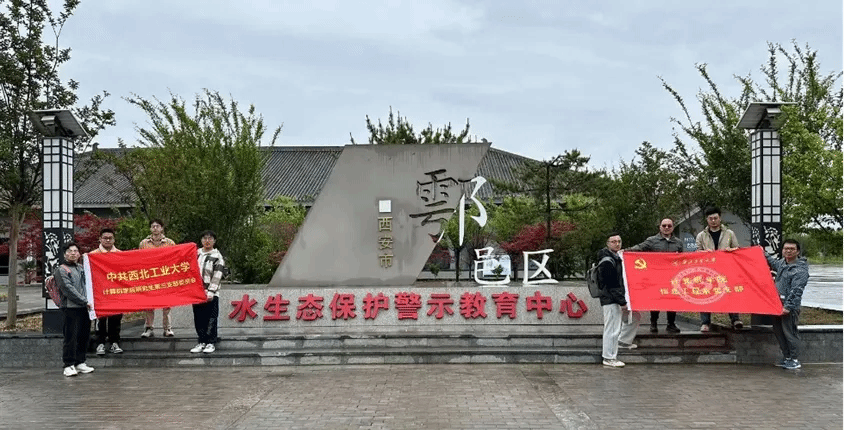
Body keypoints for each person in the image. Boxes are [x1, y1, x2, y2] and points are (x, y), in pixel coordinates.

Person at [628, 218, 684, 333]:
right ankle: (653, 323)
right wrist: (625, 251)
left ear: (673, 227)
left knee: (672, 300)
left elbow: (683, 258)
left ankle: (671, 324)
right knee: (655, 300)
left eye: (669, 226)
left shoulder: (678, 242)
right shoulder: (652, 240)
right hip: (655, 276)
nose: (666, 228)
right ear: (660, 227)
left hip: (672, 277)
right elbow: (639, 248)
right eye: (664, 225)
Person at [598, 232, 642, 368]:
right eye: (613, 241)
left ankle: (623, 342)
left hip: (617, 298)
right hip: (611, 299)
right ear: (608, 244)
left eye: (619, 241)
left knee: (634, 317)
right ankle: (609, 357)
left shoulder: (617, 257)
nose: (617, 244)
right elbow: (612, 285)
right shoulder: (607, 261)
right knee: (612, 329)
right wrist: (622, 302)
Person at [695, 207, 742, 332]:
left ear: (720, 218)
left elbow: (737, 249)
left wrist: (729, 251)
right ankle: (705, 322)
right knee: (705, 293)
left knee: (730, 292)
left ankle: (735, 319)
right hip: (707, 269)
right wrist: (705, 252)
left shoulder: (729, 233)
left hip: (726, 268)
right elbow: (697, 252)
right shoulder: (701, 235)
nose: (713, 221)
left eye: (715, 218)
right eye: (710, 218)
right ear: (707, 220)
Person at [765, 239, 809, 370]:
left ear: (798, 252)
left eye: (792, 249)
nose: (788, 251)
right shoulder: (782, 263)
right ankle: (787, 357)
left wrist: (788, 307)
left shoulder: (800, 270)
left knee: (790, 333)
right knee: (779, 332)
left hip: (789, 307)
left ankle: (794, 359)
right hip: (777, 304)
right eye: (786, 249)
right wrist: (762, 253)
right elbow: (773, 263)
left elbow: (797, 290)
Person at [56, 242, 95, 377]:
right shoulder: (61, 270)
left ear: (79, 254)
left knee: (83, 335)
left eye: (76, 251)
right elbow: (68, 289)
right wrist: (84, 300)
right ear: (65, 254)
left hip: (85, 308)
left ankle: (80, 362)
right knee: (70, 336)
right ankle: (68, 364)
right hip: (70, 308)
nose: (73, 253)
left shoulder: (81, 268)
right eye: (70, 251)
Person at [139, 218, 177, 338]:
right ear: (150, 229)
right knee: (149, 304)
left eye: (157, 226)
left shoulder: (170, 243)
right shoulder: (143, 243)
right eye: (153, 226)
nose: (155, 228)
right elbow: (139, 259)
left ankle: (167, 328)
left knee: (167, 304)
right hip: (149, 277)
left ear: (162, 228)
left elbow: (175, 258)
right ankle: (149, 328)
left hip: (165, 277)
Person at [190, 230, 226, 354]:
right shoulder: (195, 254)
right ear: (201, 240)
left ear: (214, 241)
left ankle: (211, 342)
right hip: (197, 292)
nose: (207, 241)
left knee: (211, 318)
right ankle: (201, 341)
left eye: (210, 238)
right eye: (204, 238)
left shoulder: (217, 257)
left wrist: (211, 291)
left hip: (211, 293)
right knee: (198, 318)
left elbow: (217, 275)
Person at [89, 228, 124, 355]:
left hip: (116, 292)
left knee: (116, 319)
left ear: (114, 239)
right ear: (100, 239)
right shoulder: (92, 255)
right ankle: (100, 343)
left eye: (110, 238)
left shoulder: (121, 254)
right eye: (105, 238)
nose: (108, 240)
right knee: (101, 320)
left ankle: (115, 342)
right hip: (100, 293)